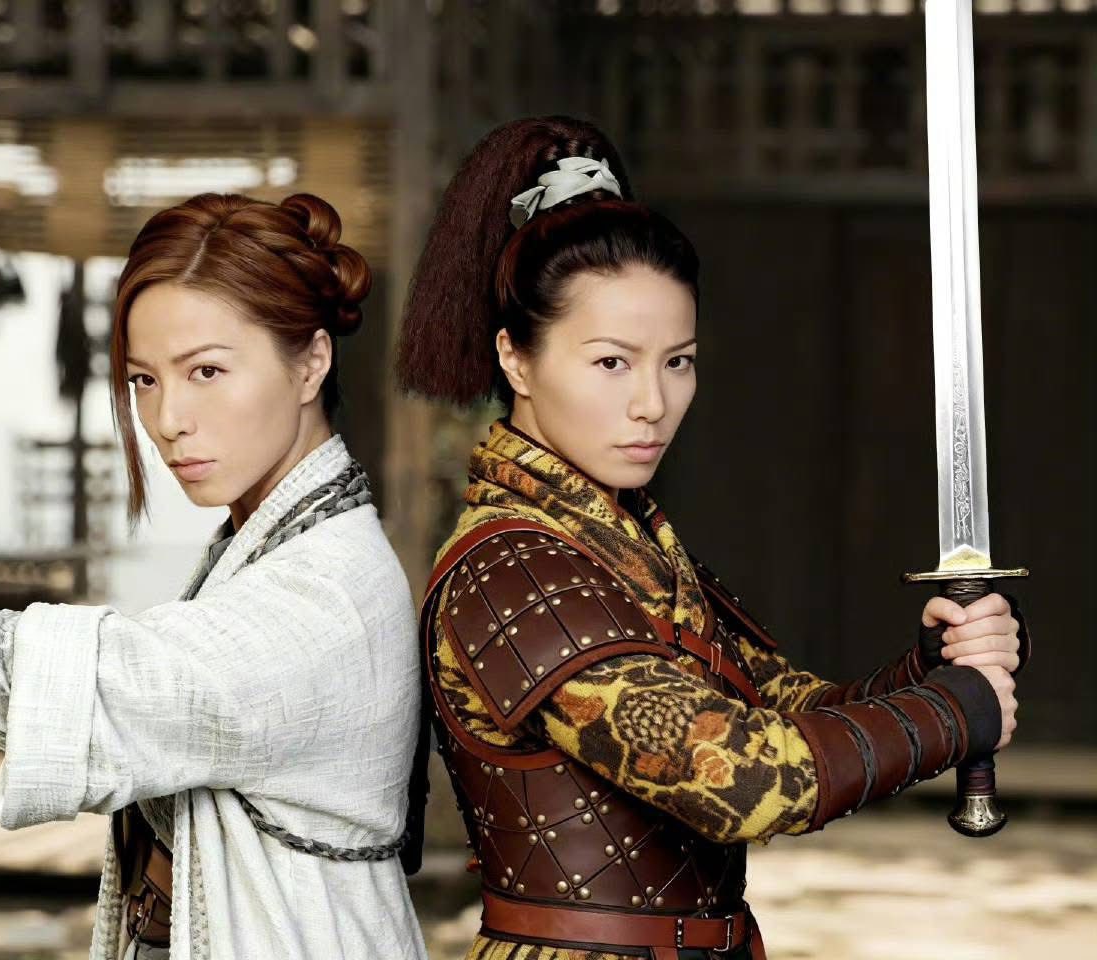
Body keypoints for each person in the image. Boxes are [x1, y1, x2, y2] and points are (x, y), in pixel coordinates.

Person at [396, 116, 1028, 960]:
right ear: (516, 359)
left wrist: (929, 669)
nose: (652, 404)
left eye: (678, 361)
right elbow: (741, 778)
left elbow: (785, 711)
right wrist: (955, 711)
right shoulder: (515, 570)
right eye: (612, 362)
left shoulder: (628, 544)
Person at [0, 192, 429, 960]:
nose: (169, 419)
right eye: (145, 381)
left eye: (206, 370)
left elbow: (127, 684)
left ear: (311, 362)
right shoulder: (270, 547)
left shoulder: (325, 590)